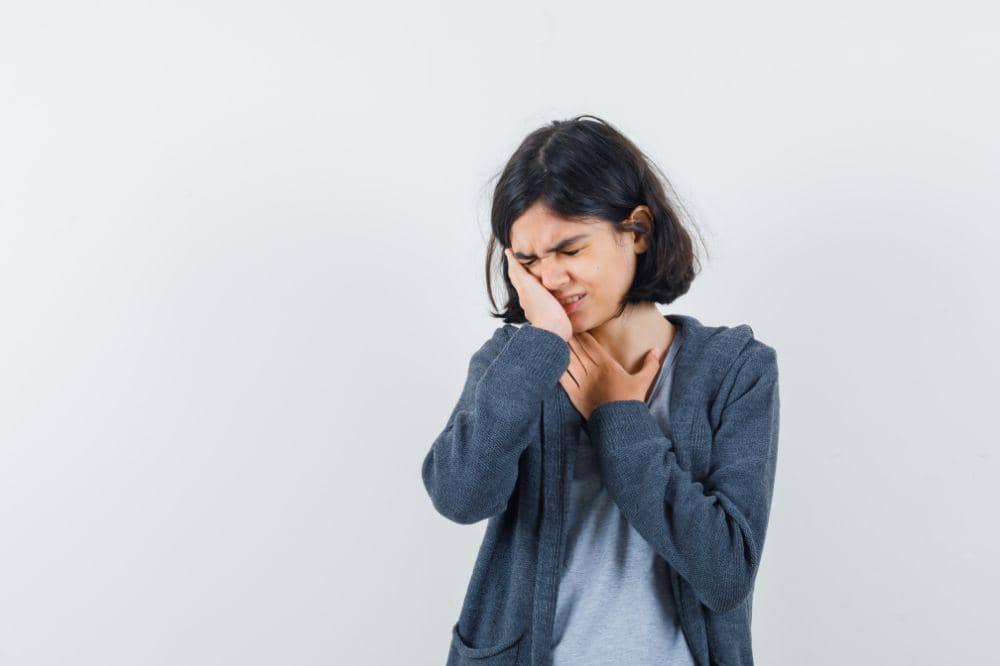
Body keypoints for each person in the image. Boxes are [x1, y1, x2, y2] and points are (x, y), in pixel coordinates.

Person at [422, 114, 781, 666]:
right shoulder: (514, 362)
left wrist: (618, 417)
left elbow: (726, 575)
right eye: (528, 261)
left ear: (637, 231)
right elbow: (460, 497)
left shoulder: (733, 369)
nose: (550, 279)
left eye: (570, 251)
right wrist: (542, 343)